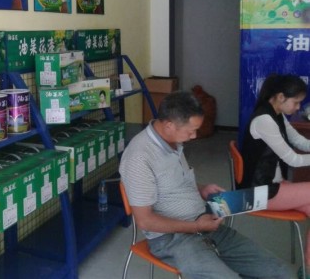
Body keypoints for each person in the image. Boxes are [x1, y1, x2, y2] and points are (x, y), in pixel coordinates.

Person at [120, 91, 291, 279]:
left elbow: (172, 184)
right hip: (173, 239)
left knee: (280, 272)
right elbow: (145, 221)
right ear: (169, 125)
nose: (194, 136)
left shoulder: (173, 140)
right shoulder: (139, 158)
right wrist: (195, 226)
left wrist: (202, 189)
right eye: (190, 131)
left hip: (203, 223)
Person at [241, 73, 310, 278]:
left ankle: (308, 269)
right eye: (296, 102)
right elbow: (293, 159)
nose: (298, 108)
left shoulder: (277, 114)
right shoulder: (264, 120)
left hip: (273, 184)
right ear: (280, 97)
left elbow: (299, 141)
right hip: (258, 192)